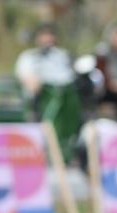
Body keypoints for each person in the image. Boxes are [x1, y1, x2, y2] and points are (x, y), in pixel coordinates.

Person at [15, 23, 82, 154]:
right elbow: (28, 80)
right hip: (41, 100)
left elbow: (73, 76)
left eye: (51, 35)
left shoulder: (63, 55)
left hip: (66, 98)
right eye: (44, 35)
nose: (48, 39)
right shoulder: (29, 57)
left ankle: (68, 145)